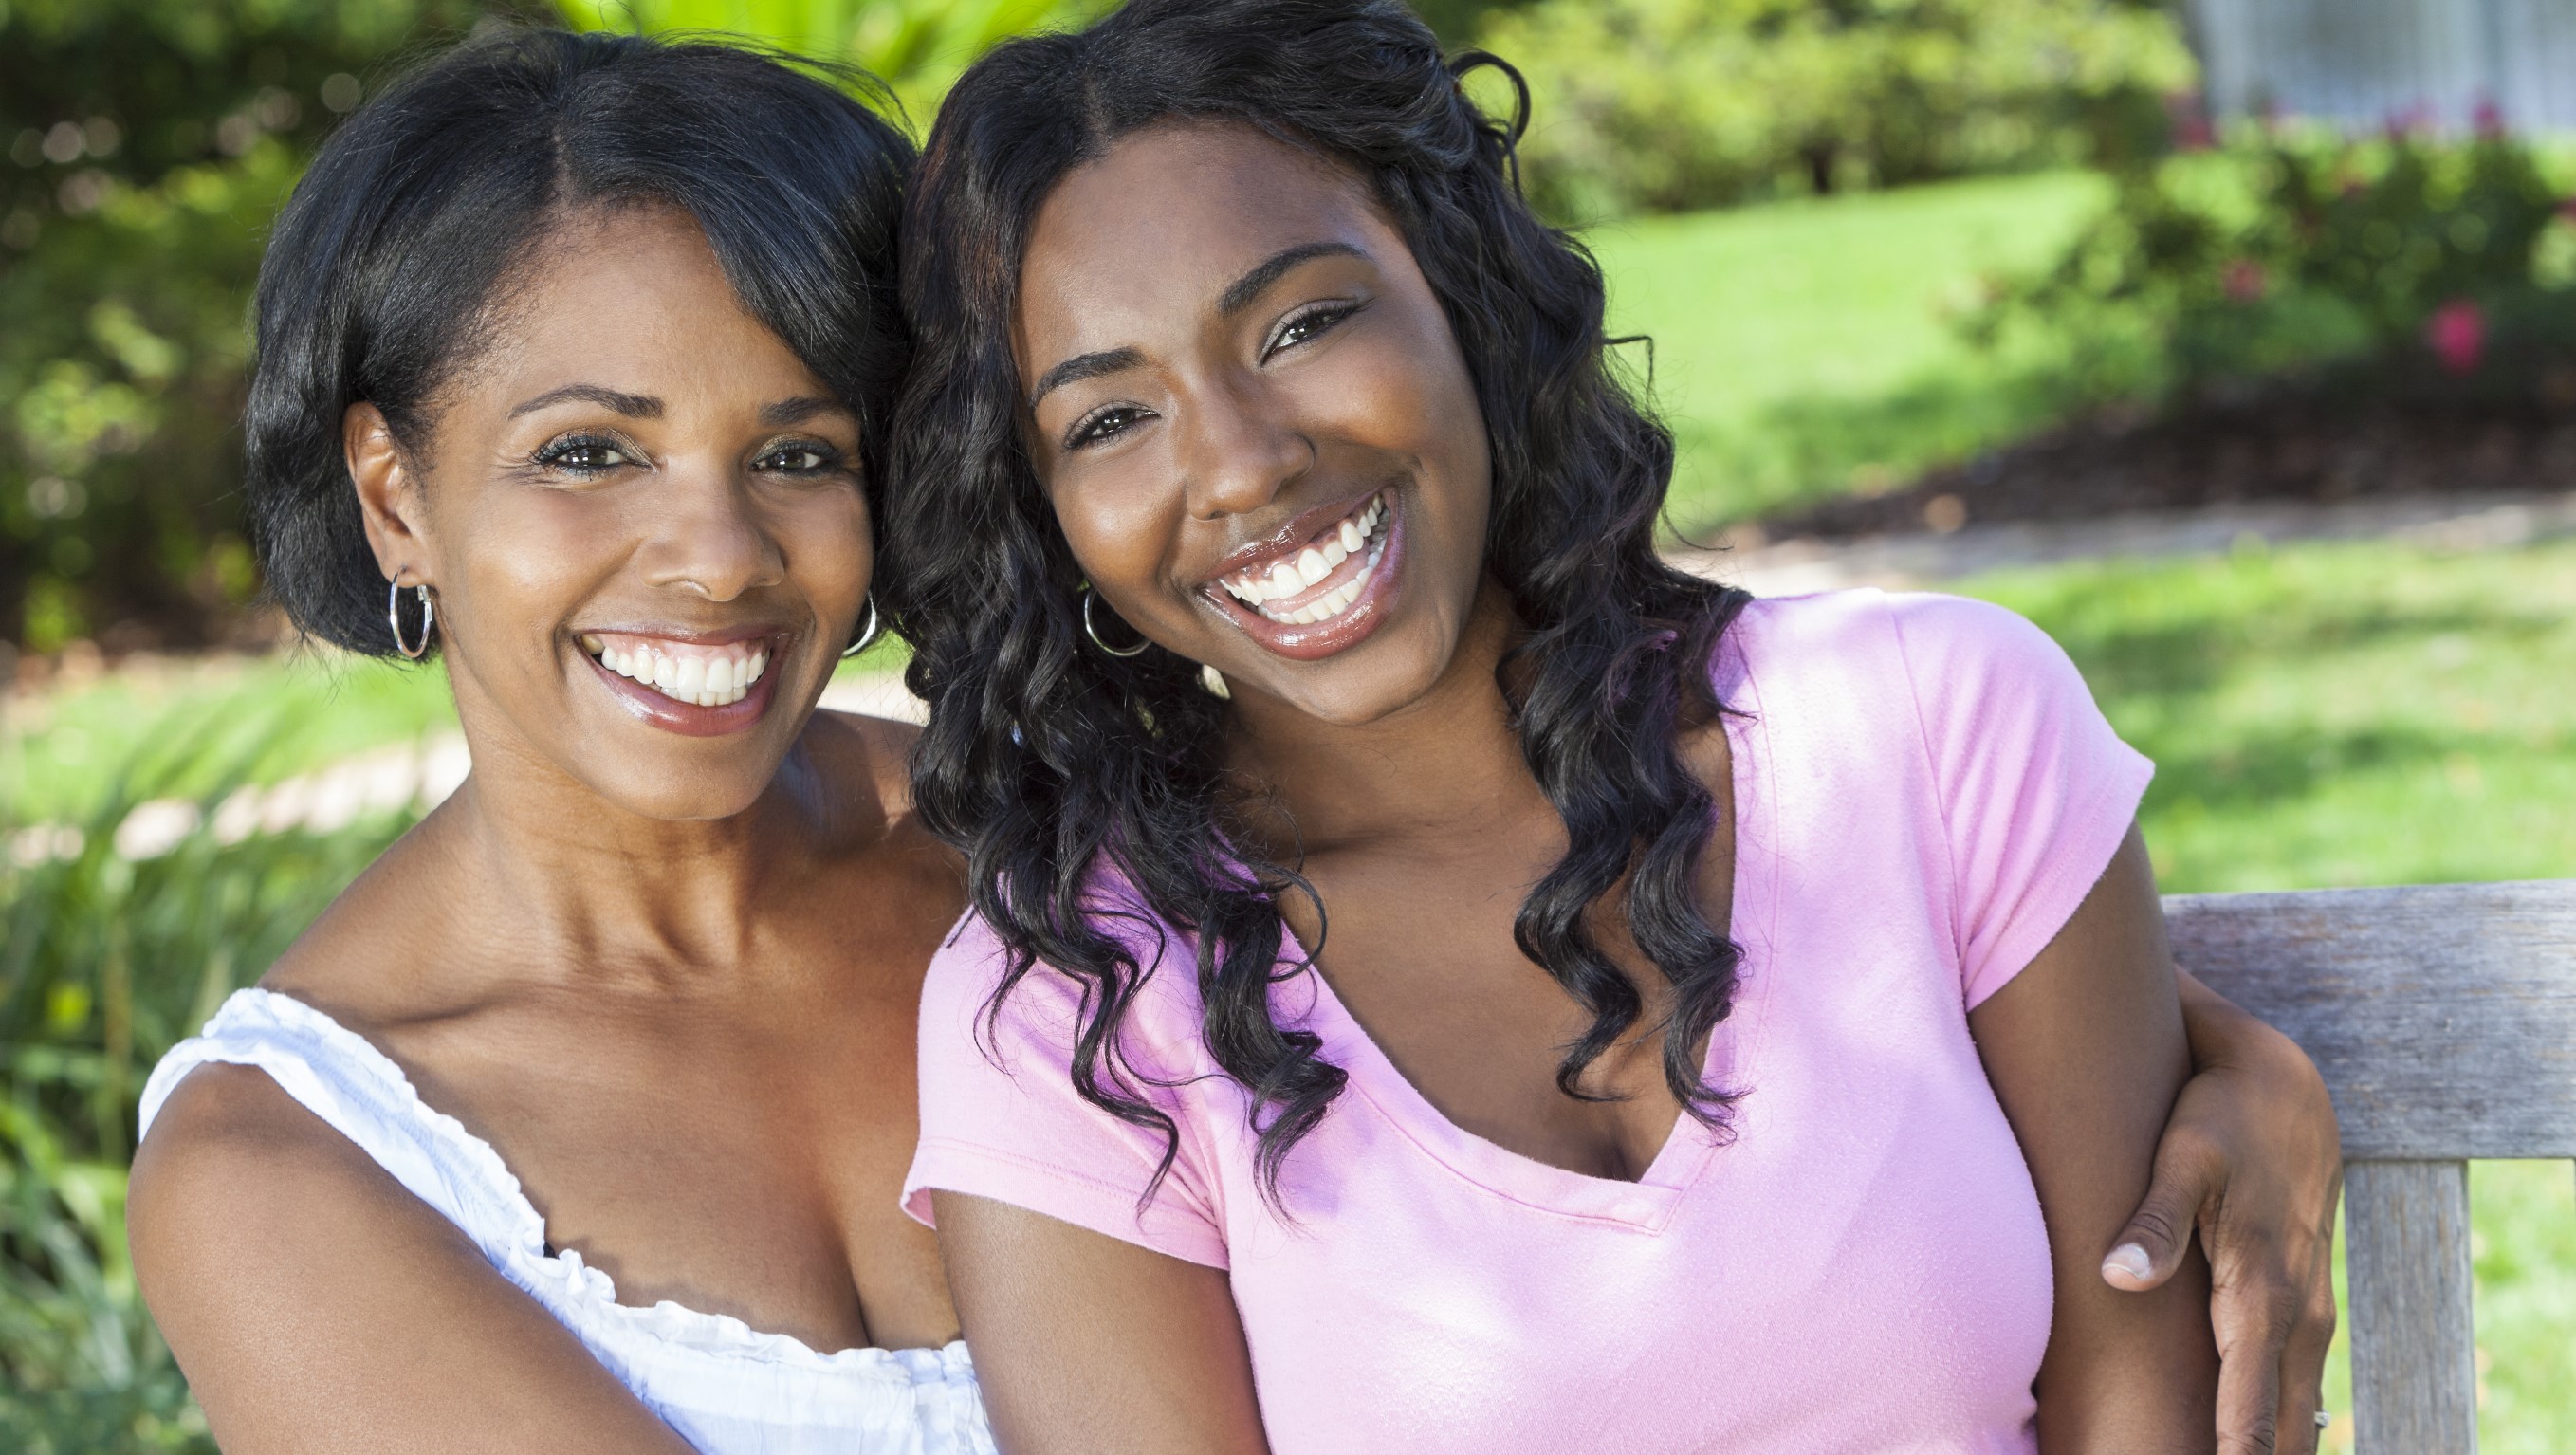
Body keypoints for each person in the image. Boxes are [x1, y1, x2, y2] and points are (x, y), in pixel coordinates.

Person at [882, 3, 2340, 1453]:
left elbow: (2145, 1412)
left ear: (1463, 298)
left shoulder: (1934, 723)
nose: (1246, 463)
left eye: (1303, 324)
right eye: (1108, 420)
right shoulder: (1078, 1013)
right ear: (1047, 522)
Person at [125, 30, 991, 1453]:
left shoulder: (1027, 848)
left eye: (801, 452)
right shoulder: (293, 1163)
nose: (718, 560)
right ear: (395, 496)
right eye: (588, 452)